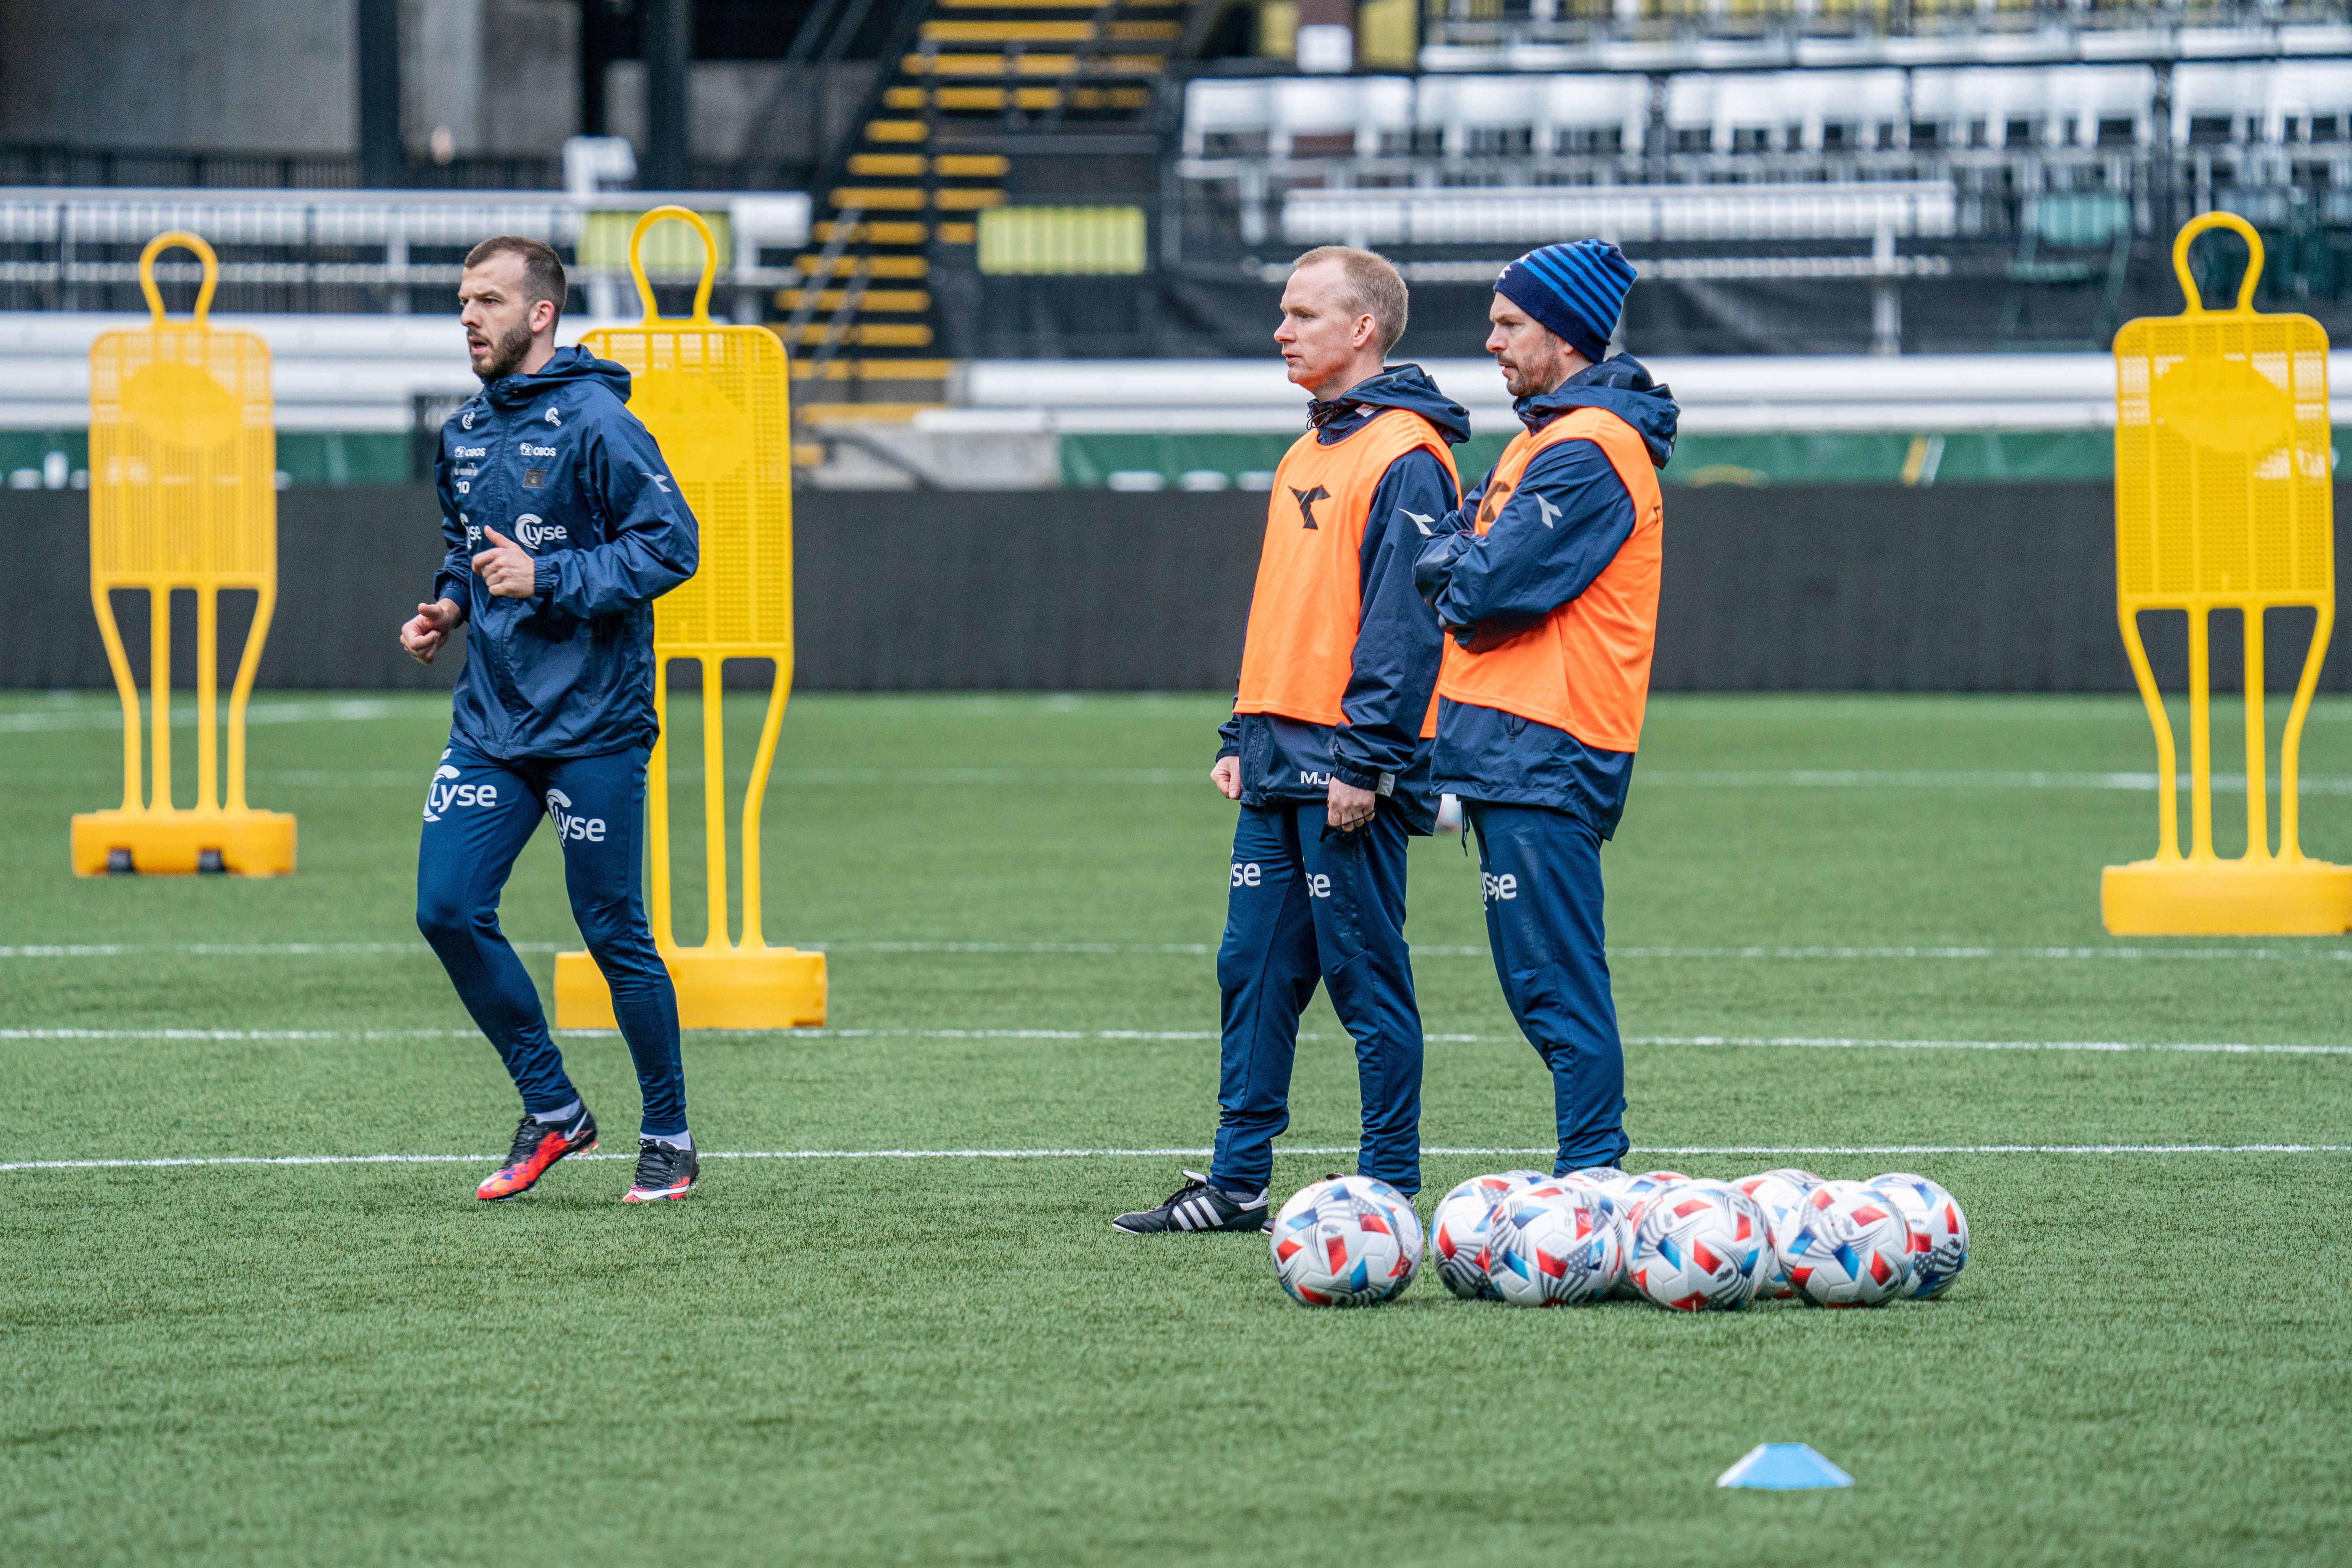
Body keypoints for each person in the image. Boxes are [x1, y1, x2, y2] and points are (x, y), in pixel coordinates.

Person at [1114, 246, 1467, 1234]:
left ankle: (1387, 1188)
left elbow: (1405, 620)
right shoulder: (1310, 445)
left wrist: (1367, 759)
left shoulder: (1406, 453)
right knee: (1252, 971)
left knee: (1365, 977)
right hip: (1277, 755)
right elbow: (1288, 608)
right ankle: (1236, 1185)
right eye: (1283, 313)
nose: (1282, 331)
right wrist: (1244, 728)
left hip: (1346, 765)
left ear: (1362, 328)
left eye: (1303, 315)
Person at [398, 235, 703, 1203]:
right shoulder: (463, 430)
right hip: (491, 721)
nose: (467, 316)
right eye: (462, 299)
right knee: (446, 909)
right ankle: (554, 1108)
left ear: (540, 315)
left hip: (594, 723)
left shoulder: (600, 422)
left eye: (487, 300)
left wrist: (550, 576)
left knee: (611, 930)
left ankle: (669, 1135)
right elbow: (467, 544)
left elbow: (673, 546)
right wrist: (449, 606)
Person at [1411, 239, 1678, 1178]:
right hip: (1509, 740)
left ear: (1564, 334)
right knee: (1538, 982)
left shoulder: (1588, 447)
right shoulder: (1543, 437)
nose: (1490, 342)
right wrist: (1460, 564)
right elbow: (1457, 557)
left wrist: (1457, 567)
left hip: (1547, 739)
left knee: (1554, 982)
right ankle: (1590, 1171)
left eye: (1508, 323)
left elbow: (1479, 588)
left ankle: (1594, 1176)